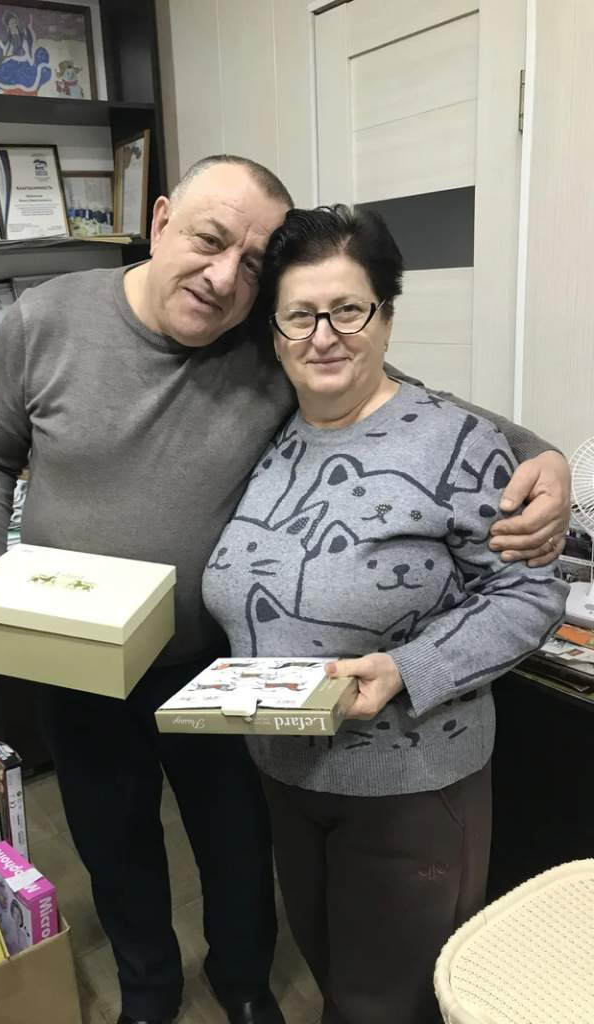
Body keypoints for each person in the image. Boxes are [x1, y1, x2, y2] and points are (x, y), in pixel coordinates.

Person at [0, 156, 569, 1024]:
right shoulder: (45, 318)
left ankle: (242, 984)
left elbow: (416, 407)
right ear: (160, 220)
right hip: (77, 658)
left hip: (217, 665)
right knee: (111, 837)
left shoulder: (263, 338)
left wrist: (546, 455)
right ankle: (148, 991)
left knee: (236, 842)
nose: (222, 277)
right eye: (209, 241)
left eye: (251, 264)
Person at [202, 204, 569, 1024]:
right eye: (300, 315)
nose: (324, 336)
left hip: (410, 785)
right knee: (333, 972)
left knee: (386, 1004)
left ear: (386, 317)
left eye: (348, 310)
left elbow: (529, 590)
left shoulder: (455, 443)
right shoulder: (274, 437)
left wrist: (409, 668)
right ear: (275, 333)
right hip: (288, 775)